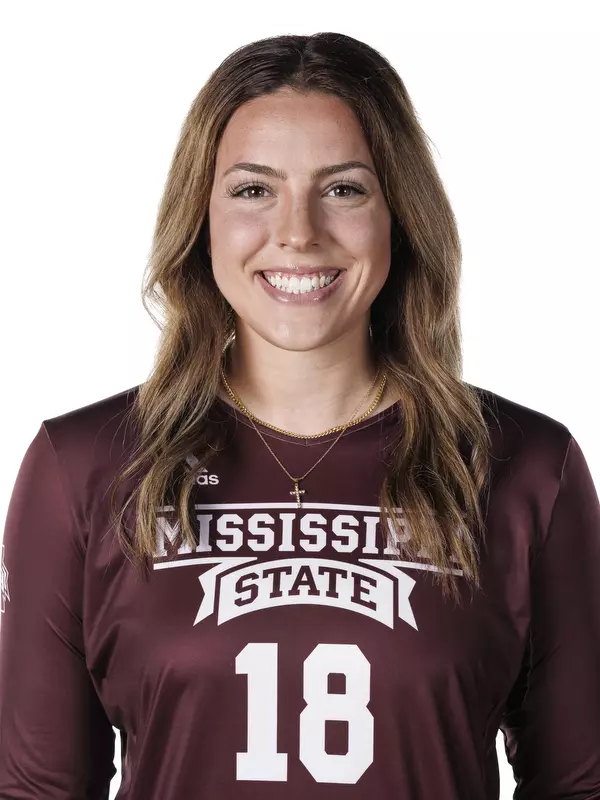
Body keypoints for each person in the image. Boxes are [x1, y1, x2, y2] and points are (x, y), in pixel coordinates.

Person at [0, 31, 599, 800]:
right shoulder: (83, 467)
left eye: (343, 188)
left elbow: (578, 783)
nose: (297, 232)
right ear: (201, 217)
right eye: (253, 190)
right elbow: (38, 790)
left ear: (398, 214)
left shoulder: (525, 468)